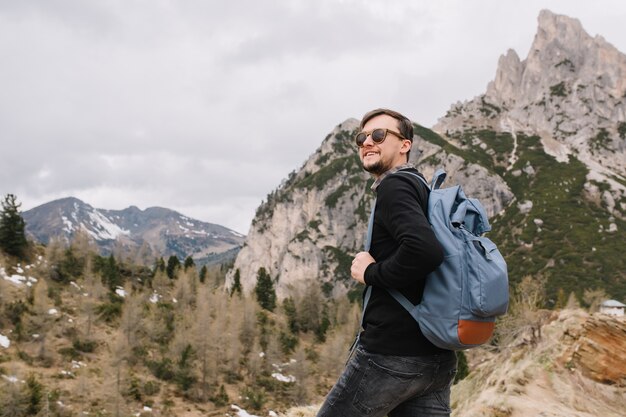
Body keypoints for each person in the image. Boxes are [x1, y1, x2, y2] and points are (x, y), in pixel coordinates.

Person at [316, 109, 457, 417]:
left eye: (379, 135)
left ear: (404, 145)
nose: (368, 142)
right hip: (435, 357)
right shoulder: (420, 186)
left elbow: (425, 251)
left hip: (392, 354)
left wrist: (370, 272)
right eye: (361, 138)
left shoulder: (396, 186)